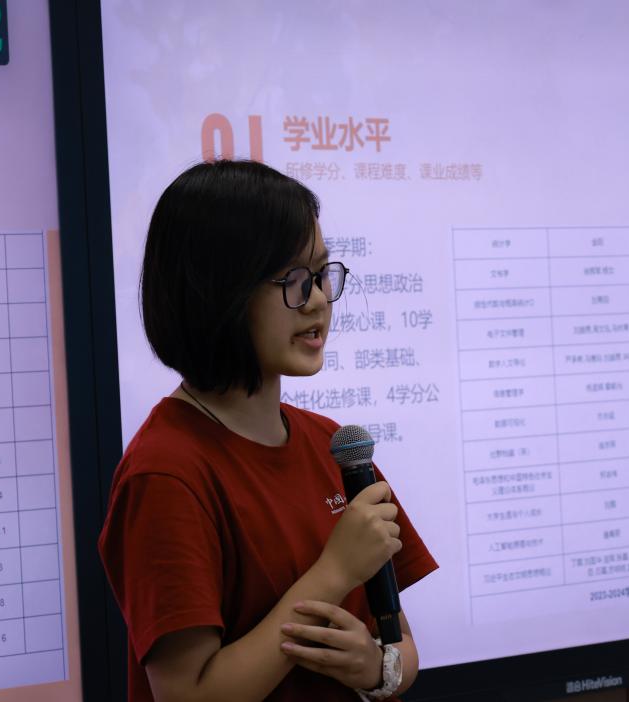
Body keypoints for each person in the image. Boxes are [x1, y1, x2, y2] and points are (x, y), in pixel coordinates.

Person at [98, 160, 437, 702]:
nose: (319, 300)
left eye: (322, 275)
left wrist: (377, 668)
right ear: (219, 291)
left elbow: (401, 644)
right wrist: (333, 572)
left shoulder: (333, 446)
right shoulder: (164, 473)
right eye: (295, 281)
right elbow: (186, 694)